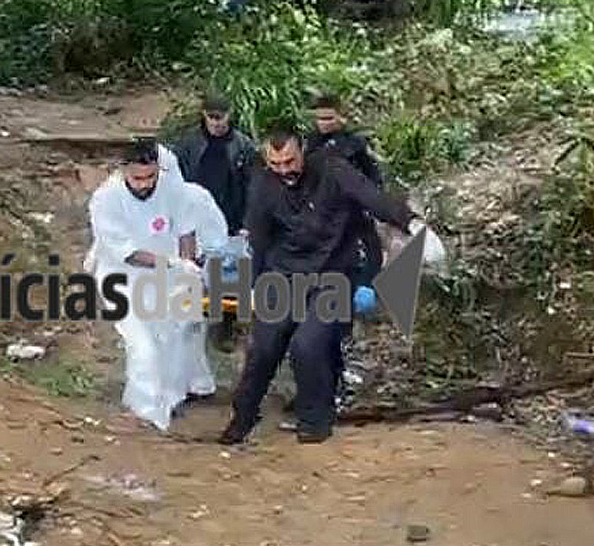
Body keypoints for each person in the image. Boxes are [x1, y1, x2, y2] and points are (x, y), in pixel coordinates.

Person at [218, 126, 435, 445]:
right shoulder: (264, 184)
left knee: (307, 345)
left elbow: (373, 199)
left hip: (332, 274)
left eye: (290, 162)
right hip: (284, 275)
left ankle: (314, 421)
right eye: (276, 164)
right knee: (264, 347)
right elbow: (260, 240)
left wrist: (412, 223)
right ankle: (243, 417)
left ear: (303, 150)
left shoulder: (333, 170)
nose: (284, 170)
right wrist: (253, 285)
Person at [86, 137, 225, 430]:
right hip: (122, 277)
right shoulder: (105, 200)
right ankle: (145, 412)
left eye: (151, 177)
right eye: (137, 178)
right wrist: (170, 262)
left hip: (167, 273)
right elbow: (127, 253)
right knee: (143, 345)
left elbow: (186, 229)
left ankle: (171, 399)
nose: (145, 184)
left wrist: (187, 266)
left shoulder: (171, 184)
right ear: (123, 170)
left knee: (174, 336)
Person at [305, 93, 384, 290]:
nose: (324, 123)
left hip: (354, 207)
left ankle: (366, 286)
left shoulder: (355, 144)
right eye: (320, 118)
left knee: (367, 248)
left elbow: (373, 174)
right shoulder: (310, 143)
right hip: (323, 210)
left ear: (340, 117)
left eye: (329, 118)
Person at [172, 93, 257, 237]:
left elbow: (252, 186)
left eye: (220, 117)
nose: (215, 123)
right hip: (196, 216)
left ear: (229, 114)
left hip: (231, 218)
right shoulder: (189, 143)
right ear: (204, 114)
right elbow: (178, 179)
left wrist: (247, 222)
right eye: (211, 117)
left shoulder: (243, 146)